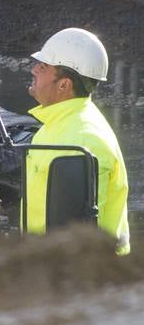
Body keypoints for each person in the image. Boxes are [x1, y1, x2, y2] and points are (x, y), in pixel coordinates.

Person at [25, 27, 129, 254]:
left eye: (43, 67)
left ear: (64, 85)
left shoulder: (83, 139)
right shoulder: (59, 124)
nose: (34, 69)